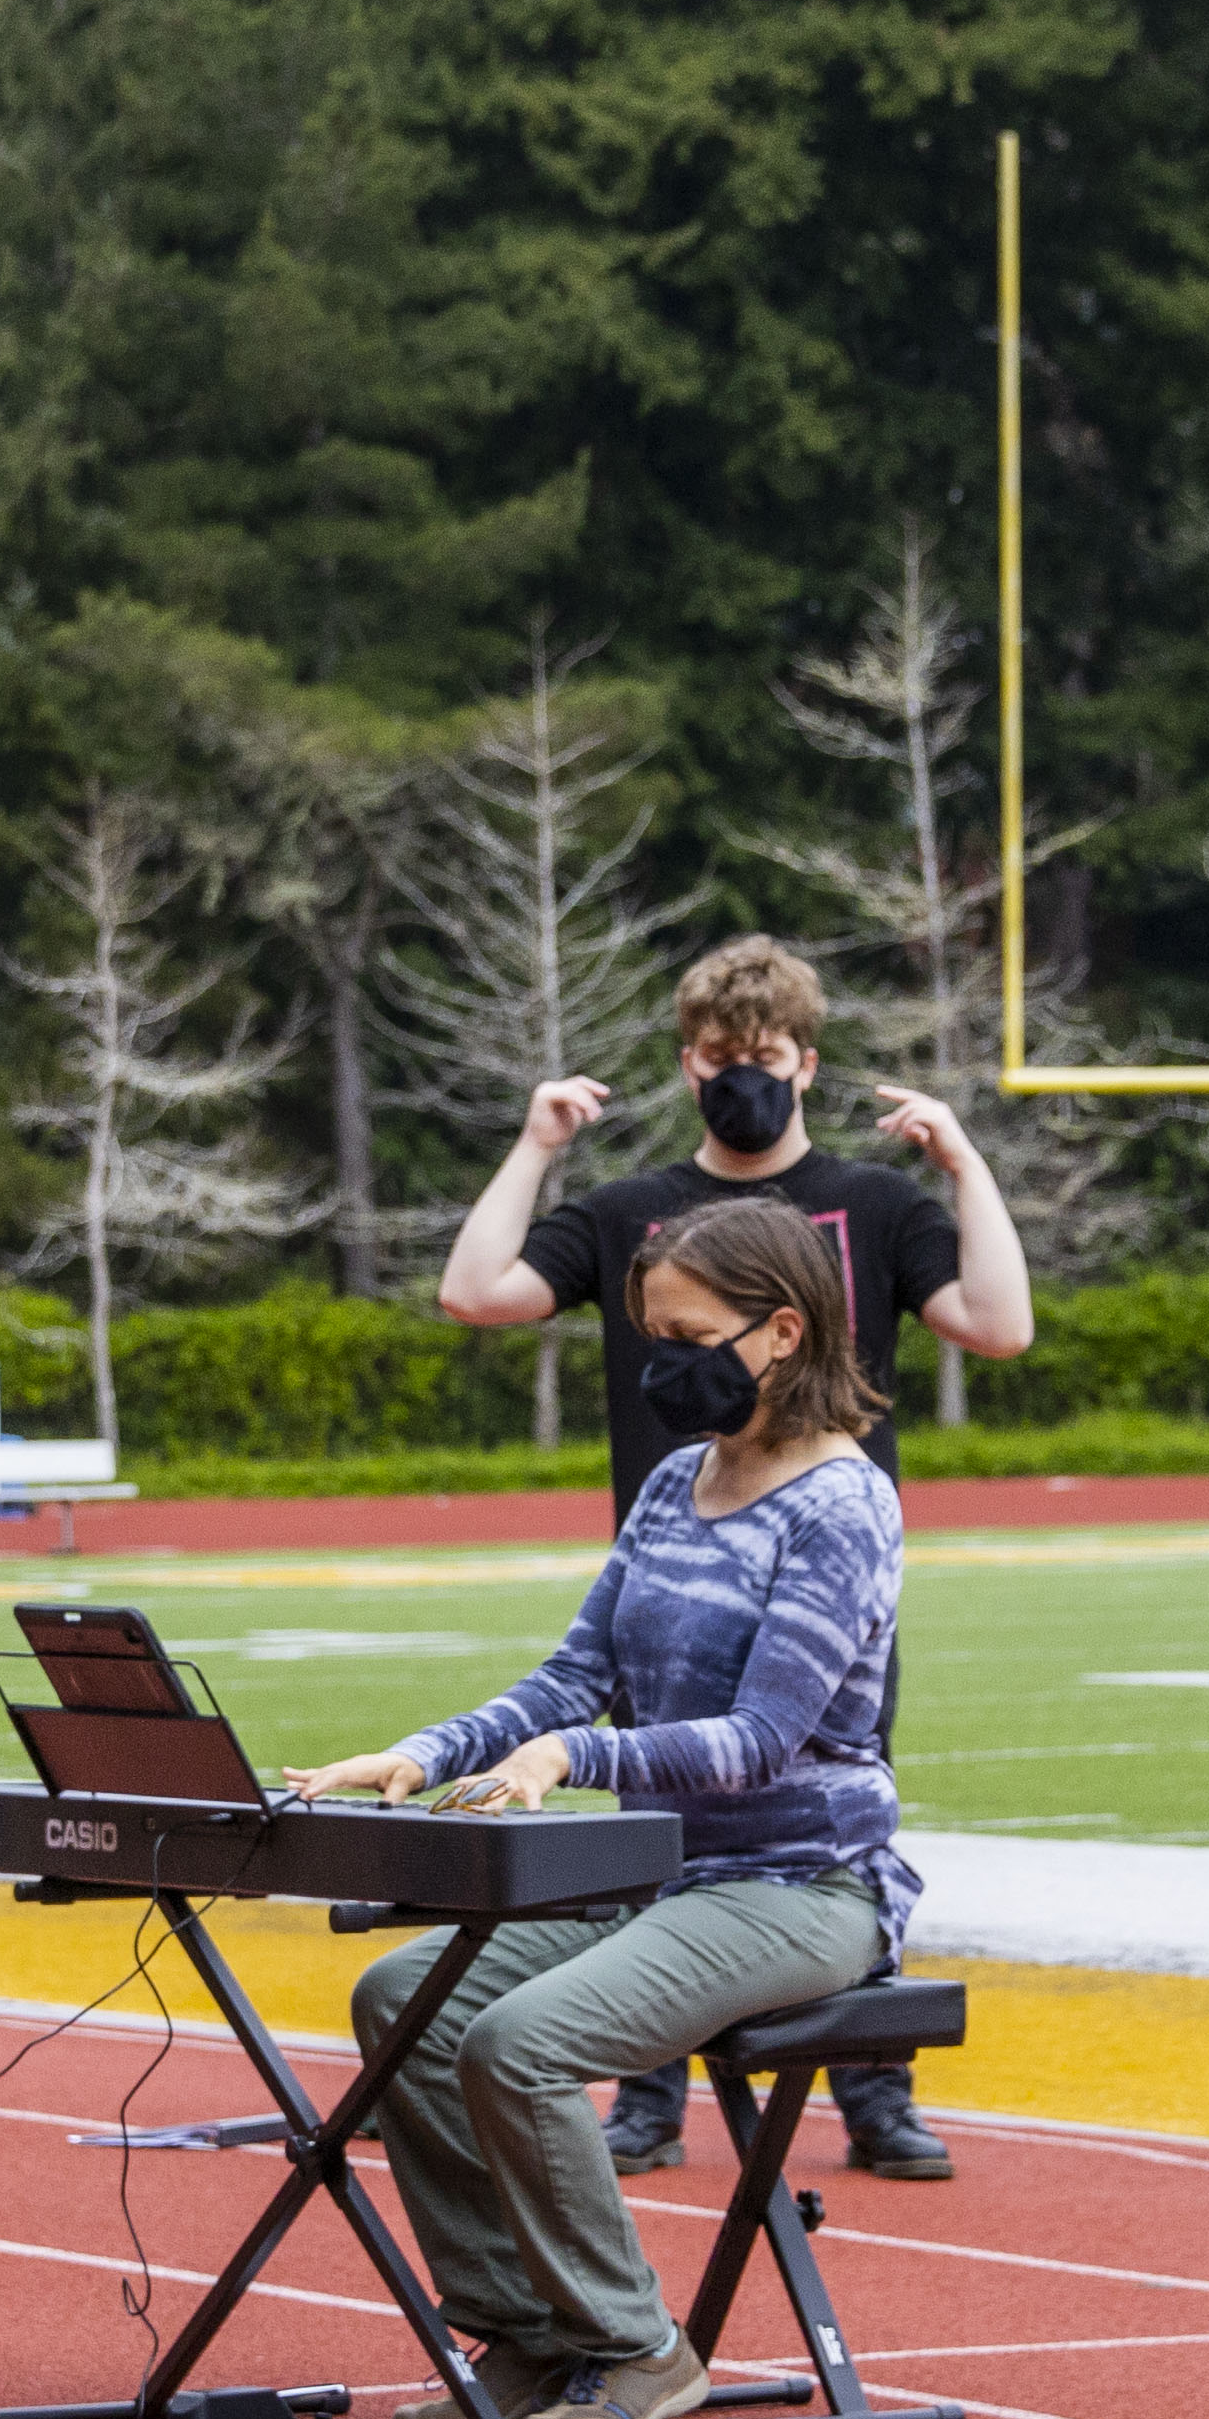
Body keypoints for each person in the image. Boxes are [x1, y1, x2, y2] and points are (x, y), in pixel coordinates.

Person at [289, 1200, 919, 2419]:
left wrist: (573, 1757)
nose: (658, 1363)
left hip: (800, 1885)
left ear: (781, 1330)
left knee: (519, 2042)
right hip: (661, 1874)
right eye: (649, 1336)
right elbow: (575, 1673)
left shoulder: (842, 1506)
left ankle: (636, 2344)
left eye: (686, 1336)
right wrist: (421, 1752)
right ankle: (526, 2331)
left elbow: (760, 1740)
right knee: (402, 1997)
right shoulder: (677, 1482)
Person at [431, 930, 1030, 2178]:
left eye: (760, 1052)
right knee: (655, 1816)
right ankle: (645, 2097)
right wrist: (536, 1143)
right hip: (667, 1559)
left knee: (813, 1806)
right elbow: (477, 1292)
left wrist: (963, 1162)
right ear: (685, 1062)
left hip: (814, 1574)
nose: (738, 1074)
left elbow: (997, 1324)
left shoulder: (870, 1204)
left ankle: (872, 2088)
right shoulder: (629, 1211)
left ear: (804, 1061)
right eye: (715, 1054)